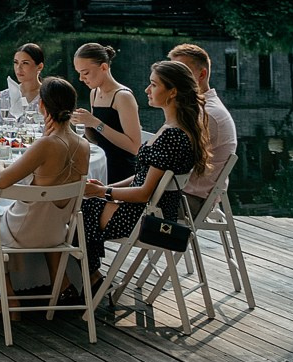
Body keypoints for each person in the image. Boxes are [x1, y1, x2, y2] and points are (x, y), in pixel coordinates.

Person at [0, 76, 94, 308]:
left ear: (41, 106)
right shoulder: (84, 145)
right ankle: (58, 284)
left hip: (22, 233)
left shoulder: (46, 145)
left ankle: (8, 297)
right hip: (58, 234)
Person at [82, 59, 208, 279]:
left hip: (144, 217)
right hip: (149, 210)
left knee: (77, 211)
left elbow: (143, 193)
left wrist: (103, 192)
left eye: (154, 85)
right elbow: (142, 176)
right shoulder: (176, 128)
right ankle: (87, 278)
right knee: (83, 204)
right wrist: (107, 187)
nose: (147, 89)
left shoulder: (172, 135)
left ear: (172, 92)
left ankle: (85, 279)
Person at [168, 43, 238, 206]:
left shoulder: (206, 114)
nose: (173, 79)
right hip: (178, 192)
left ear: (202, 74)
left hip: (188, 199)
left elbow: (168, 164)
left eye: (182, 73)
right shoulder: (195, 108)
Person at [72, 43, 143, 184]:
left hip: (122, 172)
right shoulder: (94, 93)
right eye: (79, 73)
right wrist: (85, 124)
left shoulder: (123, 96)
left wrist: (95, 122)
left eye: (85, 73)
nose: (81, 78)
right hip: (101, 164)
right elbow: (98, 140)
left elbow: (135, 147)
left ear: (104, 67)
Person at [0, 44, 46, 126]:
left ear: (40, 67)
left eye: (25, 63)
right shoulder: (1, 98)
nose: (18, 67)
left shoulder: (50, 98)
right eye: (16, 62)